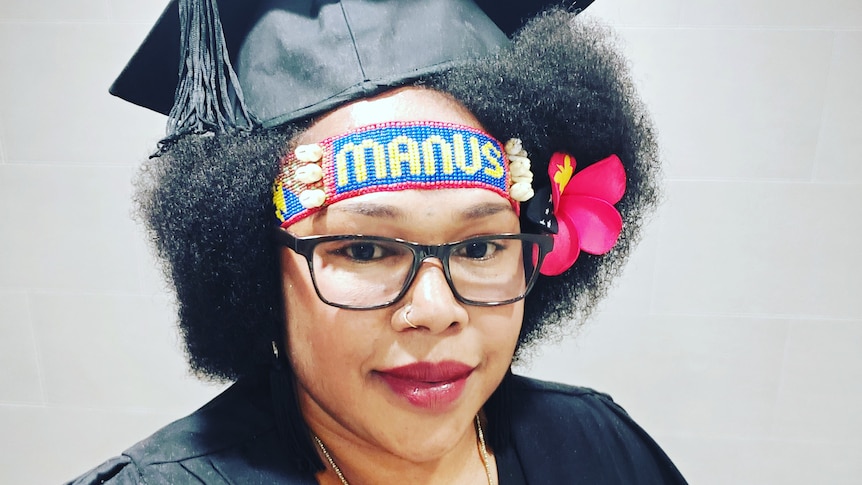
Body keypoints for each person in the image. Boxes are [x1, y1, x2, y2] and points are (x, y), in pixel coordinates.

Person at [68, 0, 686, 483]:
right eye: (365, 249)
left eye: (479, 247)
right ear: (259, 275)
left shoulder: (601, 450)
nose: (439, 312)